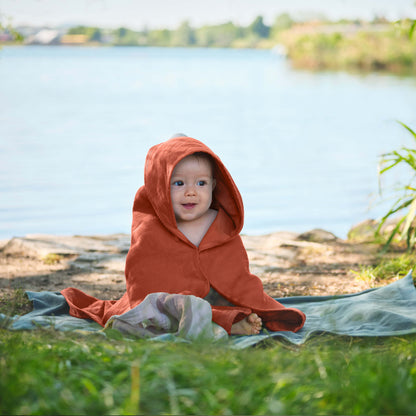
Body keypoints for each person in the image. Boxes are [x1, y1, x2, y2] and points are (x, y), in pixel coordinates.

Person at [62, 135, 306, 336]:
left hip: (216, 299)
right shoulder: (151, 227)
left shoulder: (220, 224)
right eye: (178, 184)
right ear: (160, 188)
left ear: (213, 186)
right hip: (169, 303)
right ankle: (224, 322)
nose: (191, 192)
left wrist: (253, 301)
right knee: (163, 311)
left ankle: (225, 318)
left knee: (230, 305)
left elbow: (237, 277)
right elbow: (143, 281)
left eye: (200, 183)